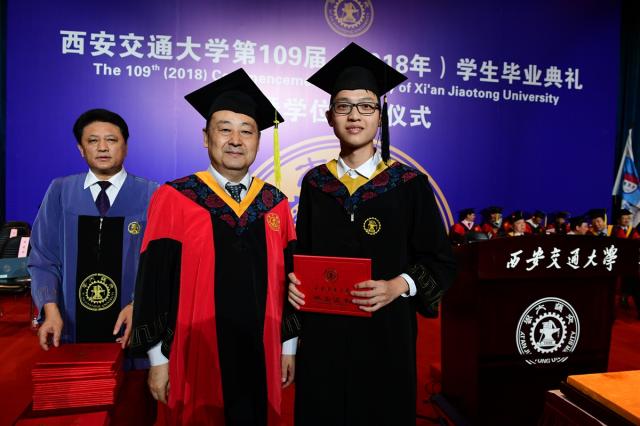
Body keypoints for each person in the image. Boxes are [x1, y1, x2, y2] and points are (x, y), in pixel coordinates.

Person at [287, 42, 457, 426]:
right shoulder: (316, 183)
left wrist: (399, 285)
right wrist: (294, 281)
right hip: (324, 338)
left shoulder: (408, 184)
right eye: (343, 106)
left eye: (366, 106)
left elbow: (441, 261)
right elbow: (303, 255)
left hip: (386, 336)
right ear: (329, 117)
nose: (354, 116)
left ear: (380, 116)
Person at [130, 69, 298, 426]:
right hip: (195, 356)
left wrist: (289, 347)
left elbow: (290, 283)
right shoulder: (175, 197)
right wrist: (158, 360)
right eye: (224, 129)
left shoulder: (276, 204)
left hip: (263, 354)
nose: (236, 140)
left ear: (258, 140)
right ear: (205, 138)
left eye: (247, 131)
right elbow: (153, 283)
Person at [29, 109, 158, 355]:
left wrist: (139, 305)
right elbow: (44, 258)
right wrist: (50, 309)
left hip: (132, 324)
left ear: (125, 146)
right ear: (81, 149)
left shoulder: (151, 194)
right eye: (92, 140)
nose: (102, 148)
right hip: (71, 327)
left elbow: (158, 264)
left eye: (111, 140)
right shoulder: (61, 191)